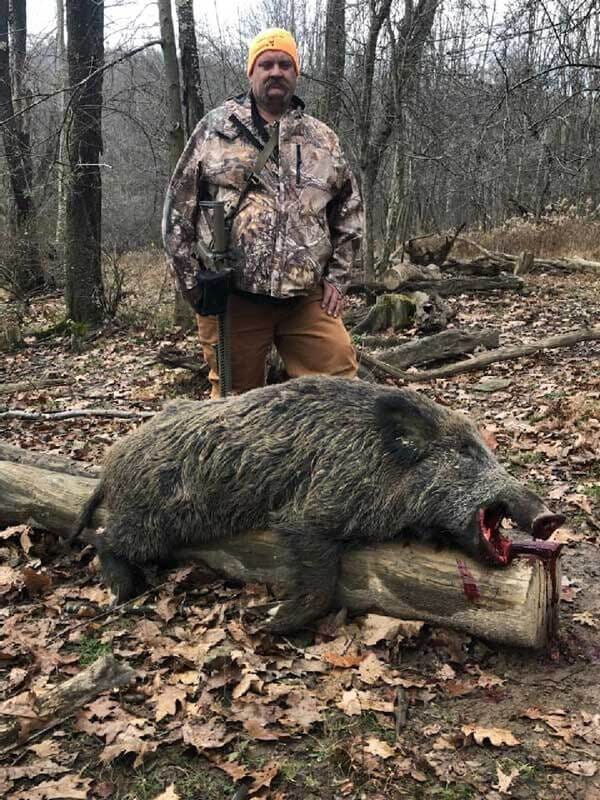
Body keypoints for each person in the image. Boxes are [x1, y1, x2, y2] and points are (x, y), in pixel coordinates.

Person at [162, 27, 363, 398]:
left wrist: (337, 278)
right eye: (266, 63)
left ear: (296, 73)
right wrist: (195, 288)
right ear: (251, 72)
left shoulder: (323, 139)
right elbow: (177, 214)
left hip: (305, 299)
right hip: (235, 299)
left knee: (340, 389)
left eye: (285, 64)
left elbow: (349, 213)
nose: (276, 71)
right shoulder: (214, 130)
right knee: (235, 407)